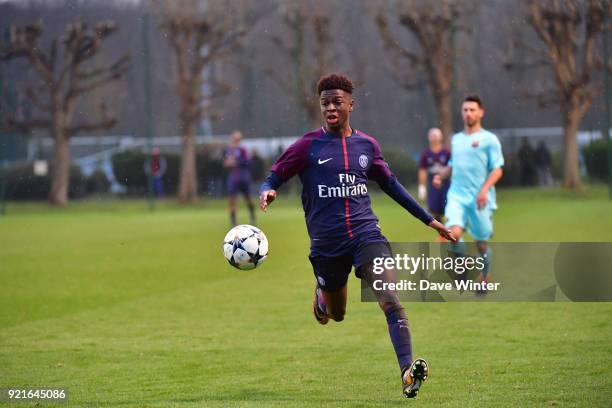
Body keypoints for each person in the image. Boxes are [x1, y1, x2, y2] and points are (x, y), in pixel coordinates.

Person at [259, 74, 455, 399]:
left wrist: (428, 220)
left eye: (337, 102)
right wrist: (268, 190)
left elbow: (391, 186)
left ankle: (407, 371)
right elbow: (274, 174)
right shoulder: (307, 146)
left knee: (390, 299)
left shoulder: (367, 145)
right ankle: (324, 298)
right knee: (336, 315)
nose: (331, 108)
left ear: (351, 104)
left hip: (367, 236)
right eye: (325, 103)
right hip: (327, 245)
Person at [433, 94, 504, 293]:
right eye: (465, 110)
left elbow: (497, 169)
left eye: (472, 110)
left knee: (481, 244)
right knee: (453, 234)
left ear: (481, 112)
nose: (468, 113)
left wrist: (483, 190)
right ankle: (463, 269)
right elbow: (453, 165)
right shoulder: (456, 140)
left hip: (480, 199)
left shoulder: (489, 140)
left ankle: (484, 276)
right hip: (457, 196)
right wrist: (441, 175)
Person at [223, 131, 256, 227]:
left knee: (248, 199)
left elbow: (249, 163)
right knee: (232, 200)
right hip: (233, 178)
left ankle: (252, 217)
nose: (236, 141)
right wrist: (227, 164)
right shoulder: (228, 150)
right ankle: (233, 223)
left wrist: (237, 162)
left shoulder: (243, 150)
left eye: (238, 139)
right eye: (234, 139)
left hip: (243, 177)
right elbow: (226, 162)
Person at [418, 128, 451, 222]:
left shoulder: (446, 152)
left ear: (441, 137)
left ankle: (451, 229)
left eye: (436, 136)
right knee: (434, 209)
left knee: (447, 207)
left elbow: (452, 168)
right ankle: (441, 232)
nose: (434, 138)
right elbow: (422, 170)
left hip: (446, 184)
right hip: (432, 185)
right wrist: (422, 187)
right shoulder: (426, 154)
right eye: (432, 136)